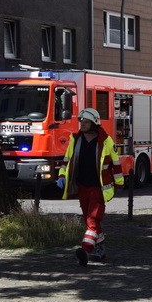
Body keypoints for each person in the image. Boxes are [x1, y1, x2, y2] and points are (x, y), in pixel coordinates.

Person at [57, 108, 124, 265]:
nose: (82, 124)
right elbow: (67, 160)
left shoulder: (106, 141)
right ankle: (101, 250)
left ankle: (85, 249)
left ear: (94, 123)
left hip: (99, 187)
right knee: (89, 220)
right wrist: (61, 175)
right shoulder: (75, 139)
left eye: (86, 122)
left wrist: (119, 183)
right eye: (81, 121)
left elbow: (116, 164)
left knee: (93, 218)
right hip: (82, 186)